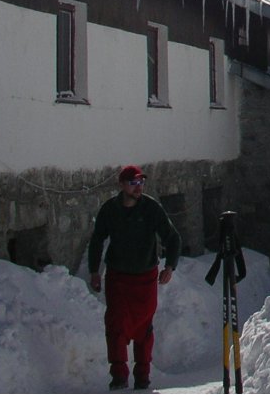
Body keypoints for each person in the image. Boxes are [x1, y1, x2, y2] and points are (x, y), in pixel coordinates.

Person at [88, 165, 181, 391]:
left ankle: (143, 376)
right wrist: (94, 271)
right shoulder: (110, 210)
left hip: (145, 279)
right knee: (116, 325)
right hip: (118, 278)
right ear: (122, 185)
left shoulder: (151, 208)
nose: (138, 187)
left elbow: (173, 237)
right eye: (133, 183)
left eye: (141, 182)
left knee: (143, 327)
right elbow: (97, 239)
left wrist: (169, 266)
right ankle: (119, 376)